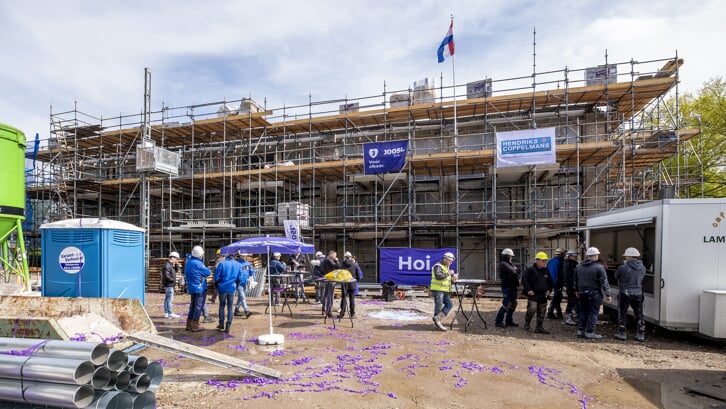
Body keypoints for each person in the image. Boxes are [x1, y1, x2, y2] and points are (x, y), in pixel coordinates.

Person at [574, 247, 612, 340]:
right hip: (594, 293)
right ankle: (590, 332)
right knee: (593, 312)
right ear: (595, 256)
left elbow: (575, 280)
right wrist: (608, 294)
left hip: (582, 292)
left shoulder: (578, 266)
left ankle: (580, 331)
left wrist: (576, 290)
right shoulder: (599, 267)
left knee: (583, 311)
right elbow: (604, 282)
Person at [614, 247, 647, 342]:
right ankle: (640, 334)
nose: (625, 258)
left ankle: (622, 333)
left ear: (629, 256)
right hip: (638, 293)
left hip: (625, 292)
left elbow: (616, 276)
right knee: (639, 313)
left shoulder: (623, 267)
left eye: (626, 256)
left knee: (623, 312)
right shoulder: (643, 268)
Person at [521, 252, 554, 334]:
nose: (545, 262)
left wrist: (549, 290)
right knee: (532, 309)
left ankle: (539, 327)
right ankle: (527, 323)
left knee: (542, 311)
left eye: (545, 260)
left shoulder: (546, 271)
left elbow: (550, 282)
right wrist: (528, 290)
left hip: (543, 295)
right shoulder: (530, 270)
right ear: (537, 261)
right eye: (543, 260)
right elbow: (524, 280)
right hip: (533, 294)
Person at [214, 253, 242, 333]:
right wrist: (236, 285)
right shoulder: (238, 265)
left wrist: (217, 285)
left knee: (222, 306)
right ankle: (228, 325)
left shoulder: (222, 264)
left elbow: (217, 276)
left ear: (226, 256)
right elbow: (240, 277)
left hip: (222, 287)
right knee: (230, 307)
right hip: (232, 288)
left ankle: (221, 323)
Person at [184, 245, 211, 332]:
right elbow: (208, 272)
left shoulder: (188, 262)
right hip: (200, 288)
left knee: (192, 306)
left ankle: (189, 324)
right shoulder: (199, 264)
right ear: (200, 255)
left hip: (191, 287)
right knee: (198, 306)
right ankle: (195, 325)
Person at [430, 252, 457, 331]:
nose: (451, 262)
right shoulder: (438, 266)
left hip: (444, 290)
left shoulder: (446, 266)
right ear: (445, 259)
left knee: (449, 305)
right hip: (438, 290)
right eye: (450, 261)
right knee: (438, 307)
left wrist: (453, 279)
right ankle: (438, 324)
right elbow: (439, 276)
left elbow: (446, 279)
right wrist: (448, 273)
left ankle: (437, 319)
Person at [494, 248, 519, 328]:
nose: (511, 258)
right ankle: (498, 321)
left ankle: (509, 321)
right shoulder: (503, 264)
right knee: (506, 304)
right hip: (507, 287)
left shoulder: (510, 264)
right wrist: (514, 271)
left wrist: (514, 271)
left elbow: (518, 271)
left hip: (513, 286)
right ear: (507, 256)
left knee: (513, 304)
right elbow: (513, 272)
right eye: (510, 256)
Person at [319, 250, 341, 318]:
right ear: (331, 255)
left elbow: (321, 269)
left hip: (326, 279)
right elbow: (338, 266)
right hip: (330, 280)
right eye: (334, 256)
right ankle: (329, 312)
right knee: (330, 296)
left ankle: (324, 309)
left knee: (325, 295)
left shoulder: (324, 260)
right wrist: (337, 260)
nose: (335, 257)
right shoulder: (329, 260)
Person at [546, 248, 566, 319]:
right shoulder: (560, 262)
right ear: (562, 254)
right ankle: (550, 312)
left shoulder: (551, 261)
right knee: (557, 297)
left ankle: (559, 313)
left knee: (558, 297)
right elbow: (560, 274)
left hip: (551, 282)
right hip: (557, 283)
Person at [562, 249, 580, 326]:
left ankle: (572, 316)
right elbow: (567, 276)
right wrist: (570, 285)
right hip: (571, 286)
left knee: (573, 301)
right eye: (575, 256)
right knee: (571, 301)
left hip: (571, 285)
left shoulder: (570, 263)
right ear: (570, 256)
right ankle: (568, 318)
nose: (576, 257)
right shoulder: (569, 264)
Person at [162, 251, 182, 319]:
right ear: (172, 257)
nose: (177, 260)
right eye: (176, 259)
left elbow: (175, 271)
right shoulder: (167, 265)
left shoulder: (170, 265)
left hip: (169, 284)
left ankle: (166, 312)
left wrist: (176, 265)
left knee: (167, 299)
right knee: (170, 299)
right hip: (169, 284)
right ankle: (170, 313)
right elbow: (166, 275)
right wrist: (173, 280)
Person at [339, 251, 358, 318]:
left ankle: (342, 314)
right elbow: (358, 275)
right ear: (350, 257)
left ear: (344, 257)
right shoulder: (354, 265)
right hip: (352, 284)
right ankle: (352, 314)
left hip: (344, 284)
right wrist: (355, 280)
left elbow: (340, 275)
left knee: (344, 298)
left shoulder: (342, 265)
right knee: (352, 299)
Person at [234, 252, 253, 318]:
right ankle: (246, 311)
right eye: (242, 256)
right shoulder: (237, 263)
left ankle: (236, 309)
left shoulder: (248, 264)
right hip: (239, 282)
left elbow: (251, 272)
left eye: (244, 256)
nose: (244, 257)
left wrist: (252, 278)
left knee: (240, 297)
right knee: (242, 297)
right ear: (240, 256)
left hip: (245, 283)